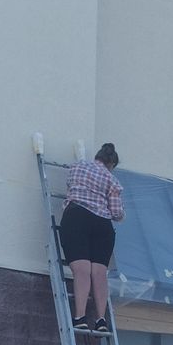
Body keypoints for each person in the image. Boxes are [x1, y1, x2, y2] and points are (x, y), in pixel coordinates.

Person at [60, 142, 125, 332]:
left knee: (81, 270)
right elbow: (116, 213)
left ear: (97, 157)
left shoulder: (77, 166)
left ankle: (79, 316)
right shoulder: (111, 180)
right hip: (102, 226)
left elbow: (70, 186)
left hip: (77, 216)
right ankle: (100, 320)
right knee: (99, 273)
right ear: (111, 164)